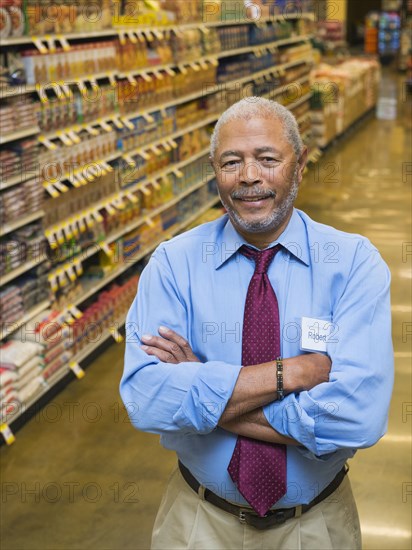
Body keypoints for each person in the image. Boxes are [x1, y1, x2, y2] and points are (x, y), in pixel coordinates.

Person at [120, 97, 393, 550]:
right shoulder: (175, 263)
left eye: (268, 159)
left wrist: (202, 394)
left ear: (300, 164)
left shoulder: (352, 263)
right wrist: (293, 373)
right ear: (214, 169)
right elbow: (146, 401)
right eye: (232, 161)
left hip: (316, 525)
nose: (249, 176)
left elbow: (357, 419)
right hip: (198, 522)